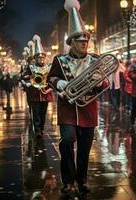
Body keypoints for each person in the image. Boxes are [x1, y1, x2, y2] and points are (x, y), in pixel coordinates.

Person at [47, 0, 108, 194]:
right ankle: (67, 180)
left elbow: (105, 84)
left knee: (84, 148)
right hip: (67, 109)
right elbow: (50, 79)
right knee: (66, 141)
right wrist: (60, 83)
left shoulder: (96, 60)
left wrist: (100, 82)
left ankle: (82, 180)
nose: (84, 44)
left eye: (86, 41)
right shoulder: (60, 59)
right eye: (80, 41)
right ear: (71, 42)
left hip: (88, 109)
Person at [22, 35, 53, 139]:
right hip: (34, 95)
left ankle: (42, 128)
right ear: (36, 58)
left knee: (43, 113)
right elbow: (23, 76)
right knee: (36, 113)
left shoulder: (48, 67)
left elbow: (52, 78)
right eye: (39, 58)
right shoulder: (31, 67)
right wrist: (28, 81)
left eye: (43, 57)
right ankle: (38, 131)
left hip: (45, 94)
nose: (41, 59)